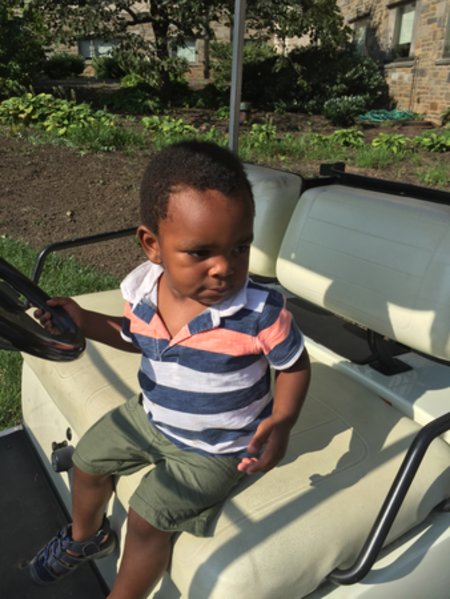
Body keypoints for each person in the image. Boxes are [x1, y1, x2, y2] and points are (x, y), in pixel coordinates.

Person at [29, 140, 311, 599]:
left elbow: (294, 365)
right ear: (152, 245)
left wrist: (283, 420)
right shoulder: (143, 292)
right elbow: (133, 336)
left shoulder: (261, 313)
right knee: (86, 462)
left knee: (146, 520)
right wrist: (85, 320)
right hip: (151, 415)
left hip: (218, 447)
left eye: (240, 248)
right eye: (201, 252)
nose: (224, 268)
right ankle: (86, 538)